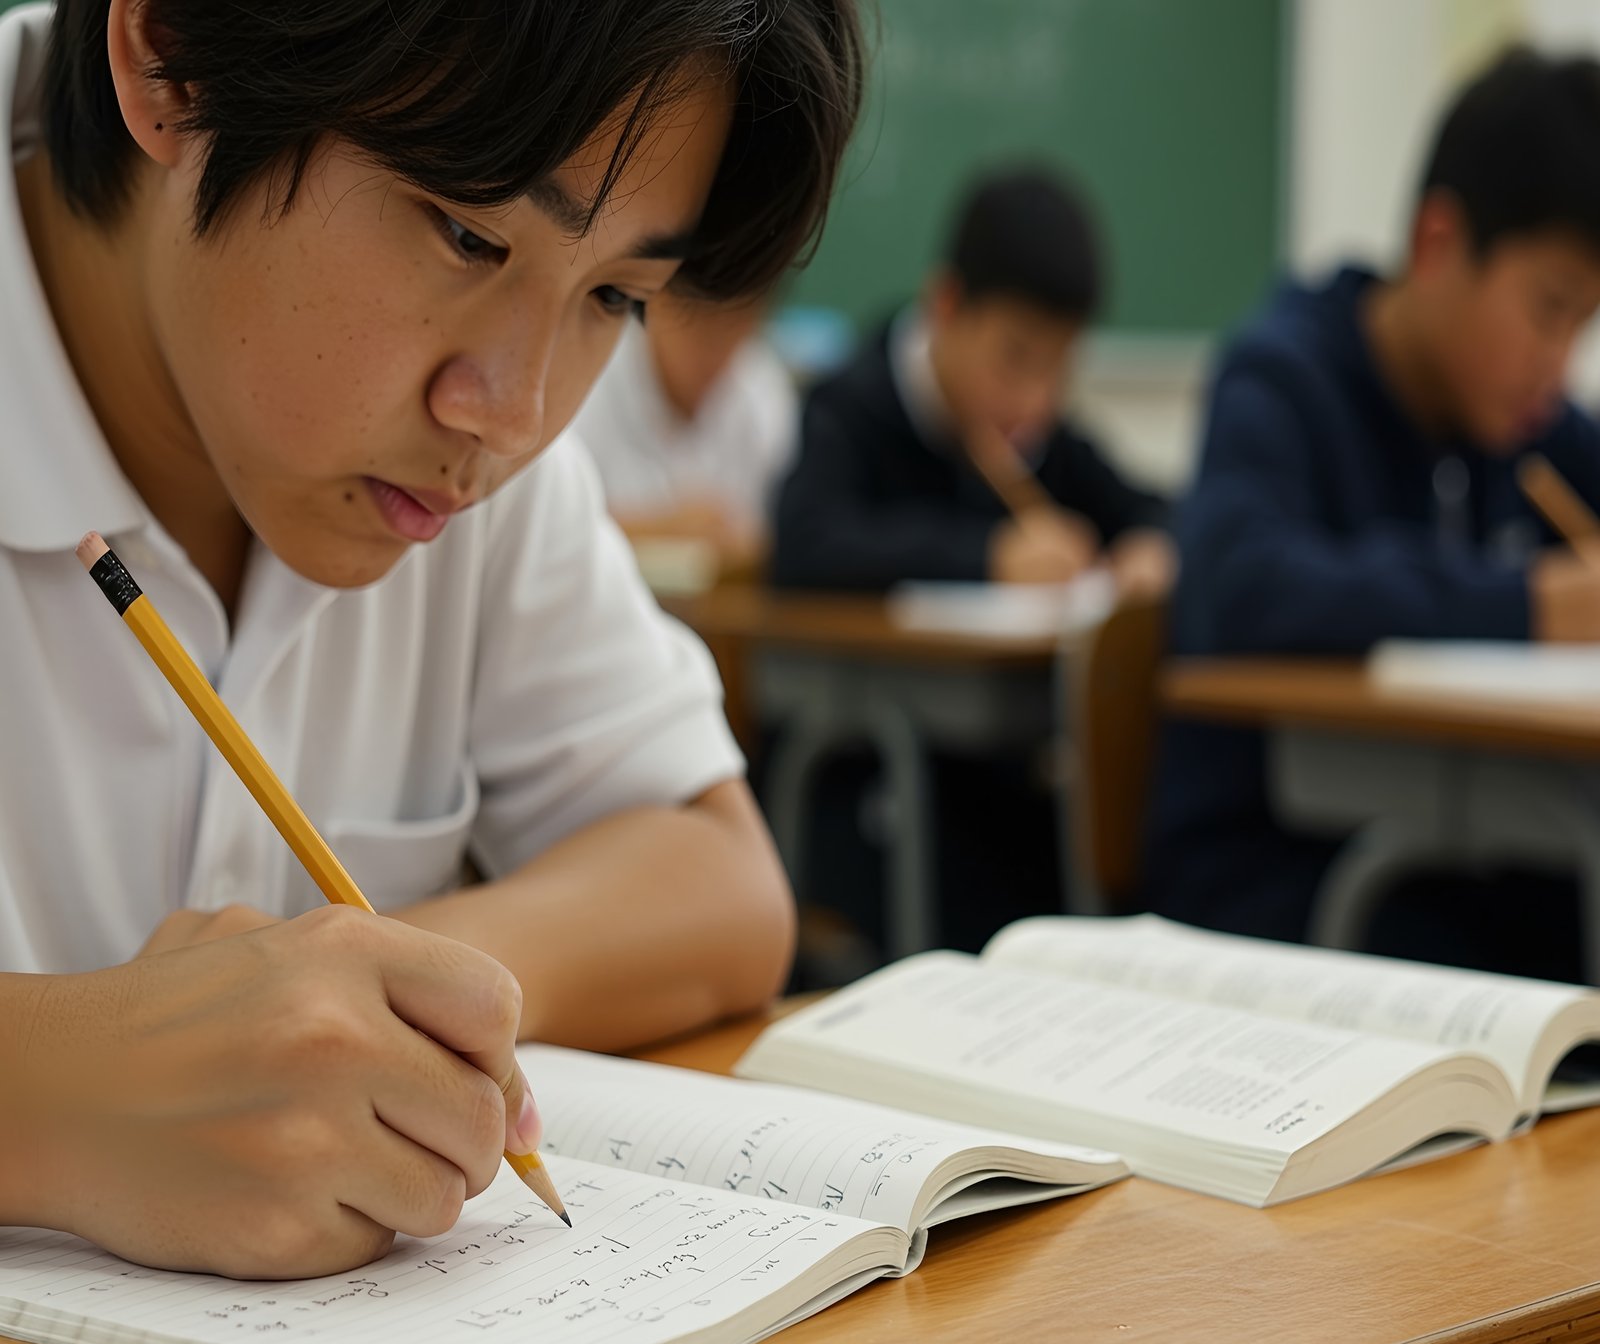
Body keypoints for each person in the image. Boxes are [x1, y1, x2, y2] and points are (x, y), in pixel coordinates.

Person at [0, 0, 861, 1277]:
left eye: (616, 295)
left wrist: (366, 1010)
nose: (512, 415)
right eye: (468, 233)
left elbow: (719, 877)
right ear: (172, 55)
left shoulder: (455, 463)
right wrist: (55, 1091)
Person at [1145, 49, 1600, 978]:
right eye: (1549, 311)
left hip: (1462, 855)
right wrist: (1531, 606)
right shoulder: (1281, 378)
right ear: (1439, 244)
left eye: (1584, 325)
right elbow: (1240, 589)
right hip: (1275, 875)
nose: (1560, 366)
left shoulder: (1526, 426)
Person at [770, 166, 1173, 597]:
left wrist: (1149, 545)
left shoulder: (1037, 434)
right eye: (1015, 358)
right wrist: (987, 556)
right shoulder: (849, 406)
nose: (1034, 401)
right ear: (947, 306)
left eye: (1058, 368)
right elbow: (804, 548)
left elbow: (1154, 509)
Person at [573, 291, 796, 580]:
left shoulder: (761, 385)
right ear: (659, 303)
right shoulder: (593, 372)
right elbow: (553, 529)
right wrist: (663, 528)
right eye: (703, 328)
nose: (718, 352)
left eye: (738, 327)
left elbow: (780, 534)